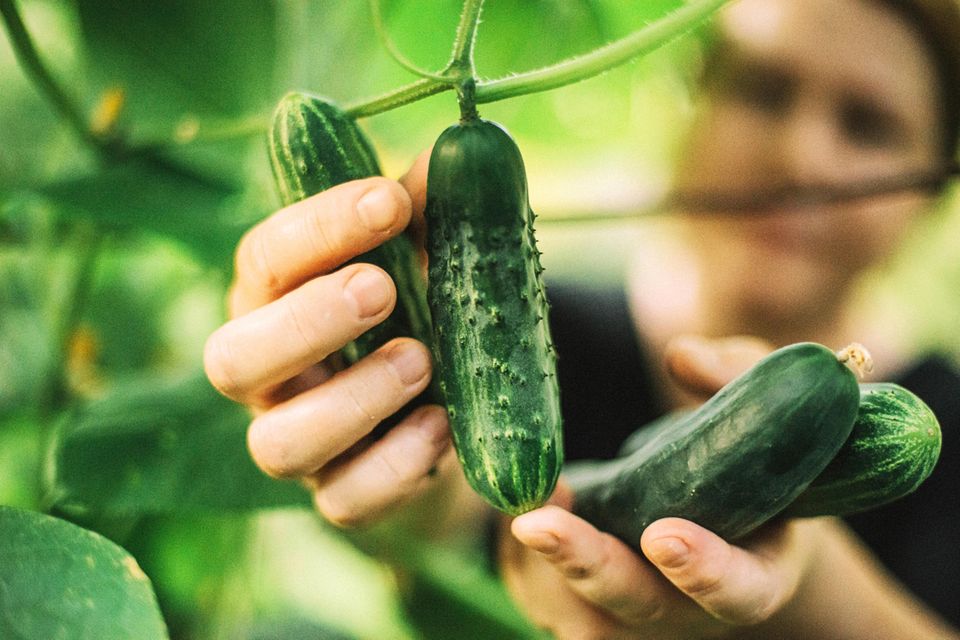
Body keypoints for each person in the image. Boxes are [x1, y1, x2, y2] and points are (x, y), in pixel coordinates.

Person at [203, 0, 960, 637]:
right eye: (763, 90)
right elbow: (452, 503)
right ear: (690, 101)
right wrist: (393, 461)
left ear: (935, 187)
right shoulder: (539, 332)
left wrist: (811, 597)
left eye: (868, 124)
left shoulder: (946, 425)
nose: (802, 155)